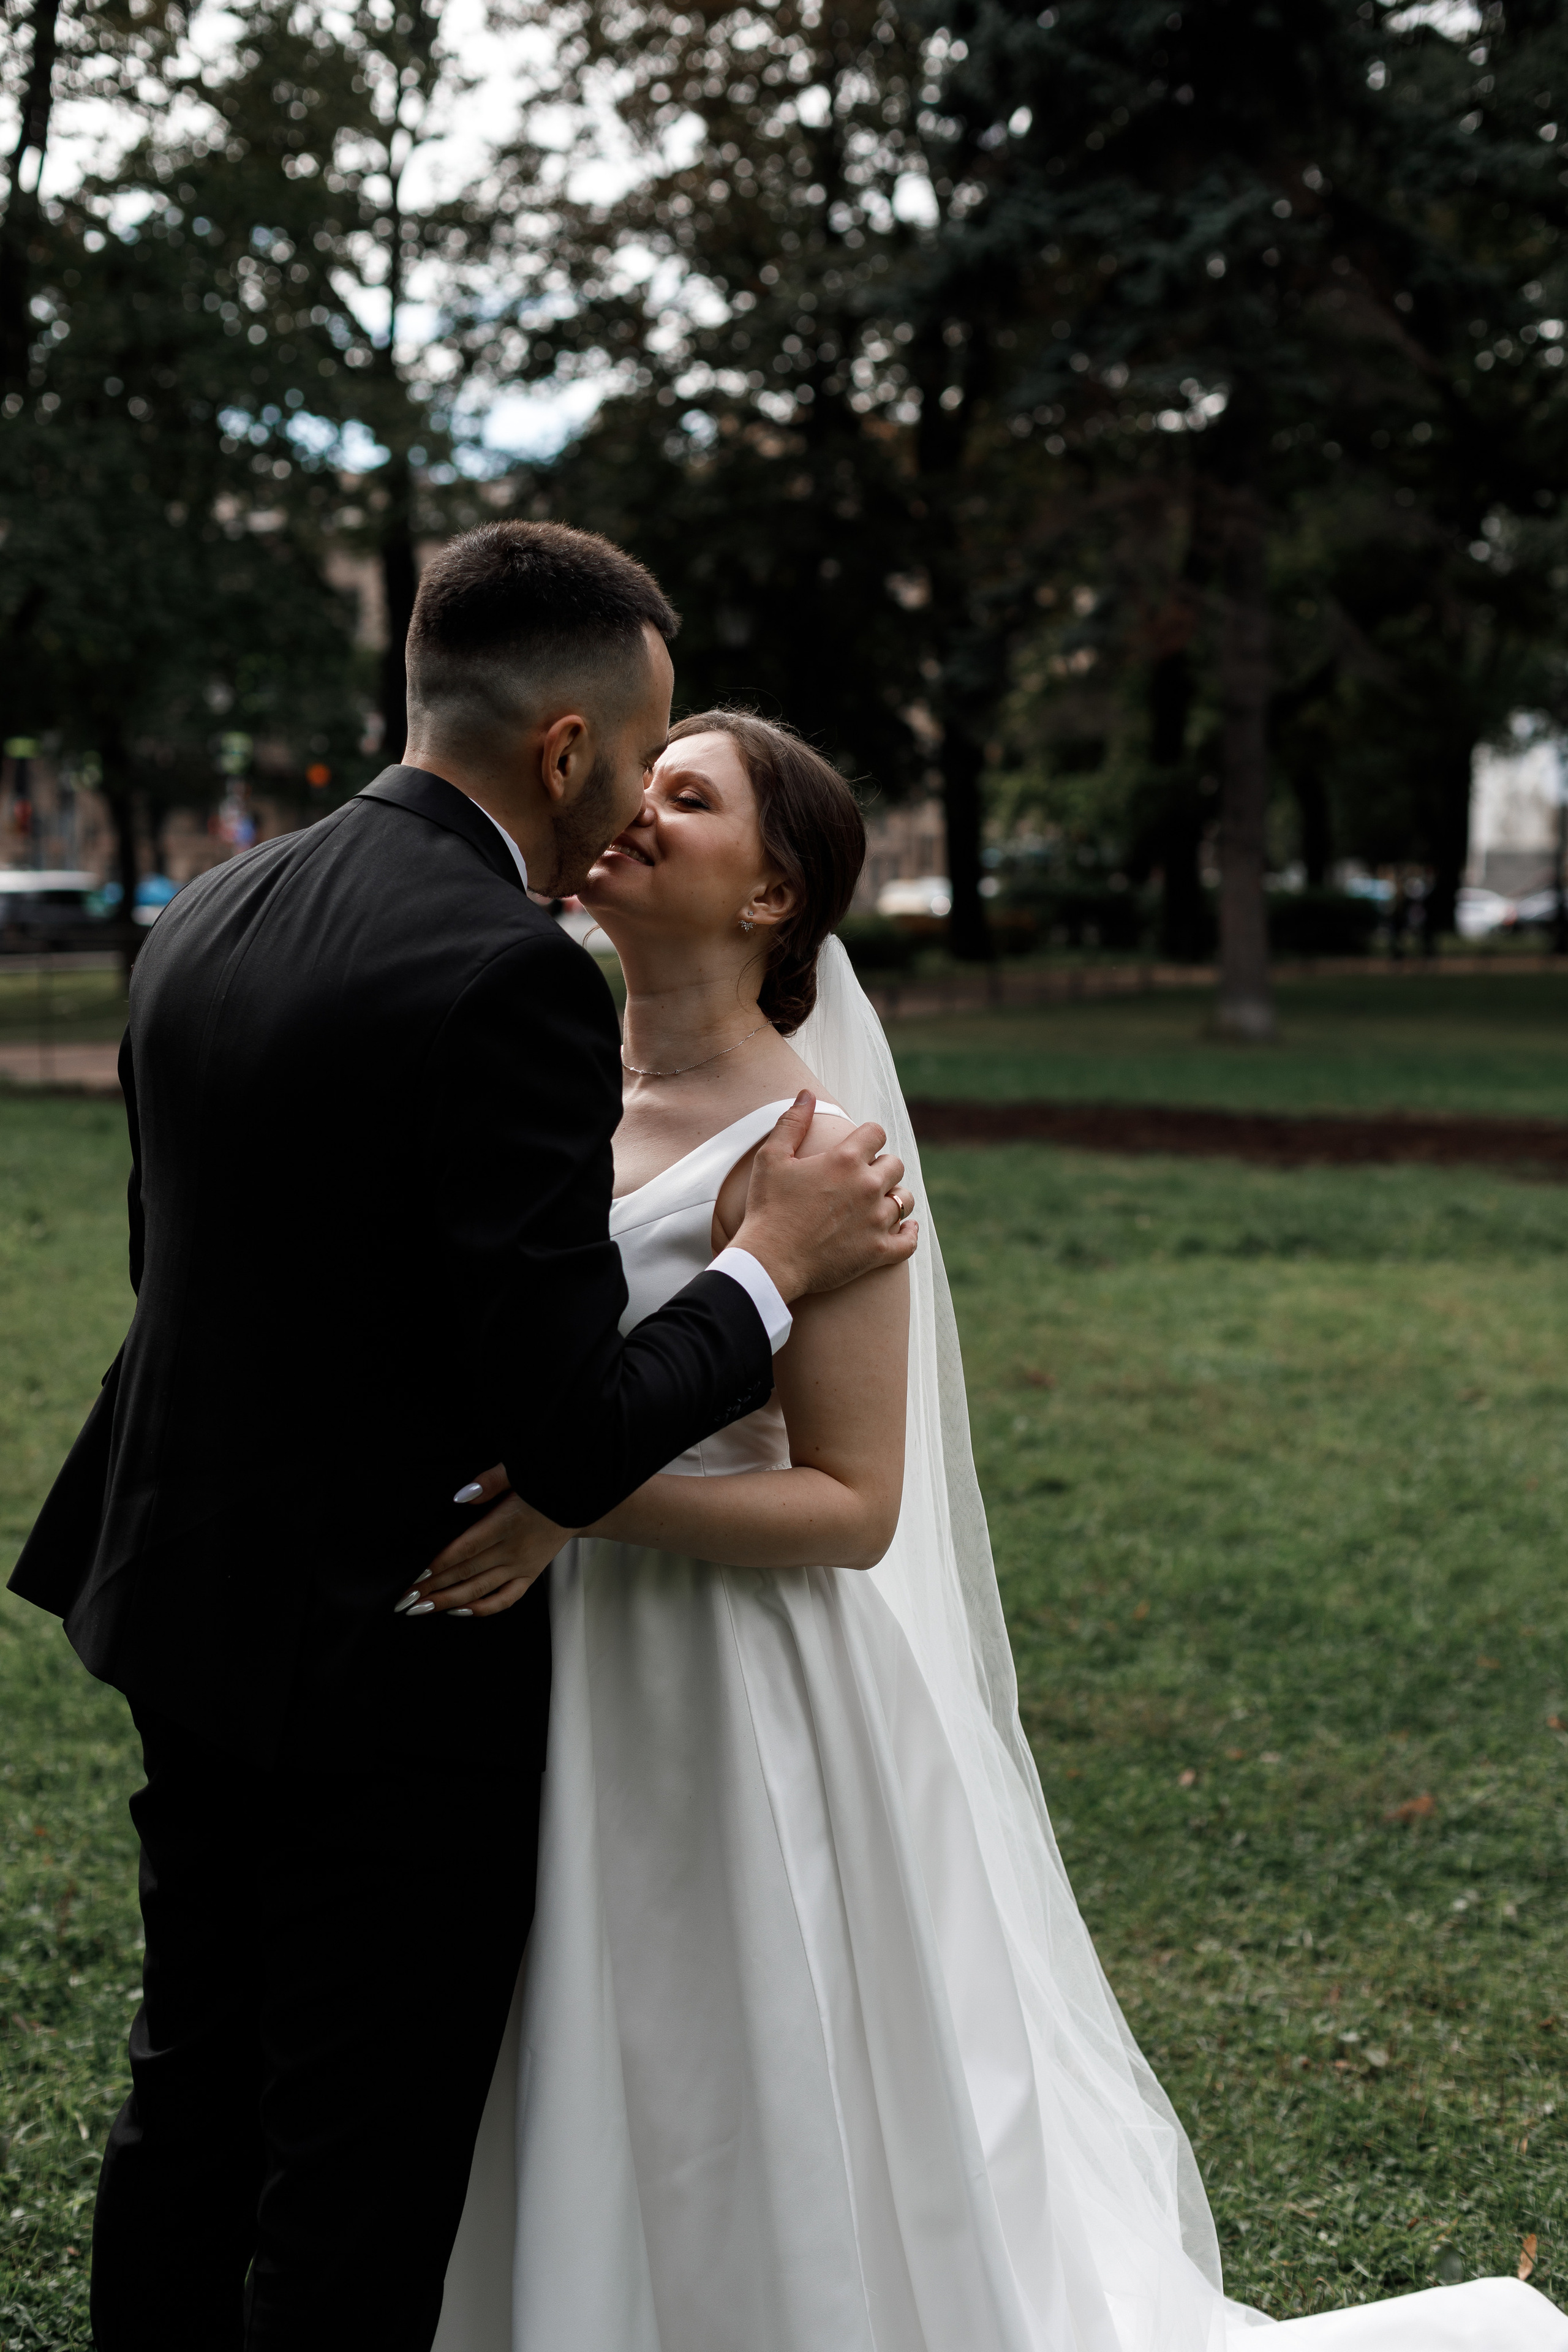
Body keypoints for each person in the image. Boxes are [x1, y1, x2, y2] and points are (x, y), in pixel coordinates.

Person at [416, 712, 1568, 2352]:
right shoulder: (551, 1098)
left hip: (728, 1692)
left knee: (719, 2066)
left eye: (692, 797)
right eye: (643, 780)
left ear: (772, 898)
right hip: (538, 1675)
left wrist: (575, 1505)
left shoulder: (827, 1163)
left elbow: (853, 1504)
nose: (640, 809)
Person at [5, 527, 917, 2351]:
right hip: (383, 1654)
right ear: (565, 748)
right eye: (639, 759)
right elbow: (564, 1417)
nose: (635, 811)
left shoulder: (215, 913)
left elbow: (201, 1271)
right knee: (352, 2168)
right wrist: (768, 1270)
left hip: (183, 1591)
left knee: (190, 2097)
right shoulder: (510, 976)